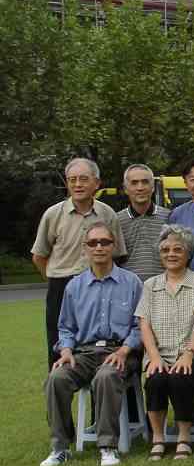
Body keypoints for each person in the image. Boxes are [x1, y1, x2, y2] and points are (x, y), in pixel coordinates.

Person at [40, 222, 143, 466]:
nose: (99, 247)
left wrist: (124, 350)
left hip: (120, 351)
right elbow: (65, 327)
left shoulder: (132, 283)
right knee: (56, 379)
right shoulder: (74, 286)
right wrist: (66, 351)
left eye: (104, 242)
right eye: (93, 243)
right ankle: (60, 448)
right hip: (83, 352)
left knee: (107, 376)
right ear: (85, 248)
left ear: (113, 246)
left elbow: (141, 326)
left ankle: (107, 447)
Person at [32, 157, 126, 368]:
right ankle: (58, 386)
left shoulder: (107, 214)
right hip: (61, 286)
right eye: (72, 179)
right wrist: (55, 281)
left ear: (97, 183)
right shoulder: (53, 215)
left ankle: (98, 388)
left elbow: (118, 254)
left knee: (97, 346)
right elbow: (39, 256)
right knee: (58, 348)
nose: (77, 184)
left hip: (100, 286)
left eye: (84, 179)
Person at [137, 225, 194, 461]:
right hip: (159, 353)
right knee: (156, 380)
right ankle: (158, 438)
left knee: (181, 378)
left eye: (178, 249)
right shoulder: (150, 285)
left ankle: (183, 437)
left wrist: (189, 353)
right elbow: (144, 324)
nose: (171, 254)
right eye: (166, 250)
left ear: (188, 253)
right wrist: (154, 357)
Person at [117, 163, 170, 281]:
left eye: (145, 182)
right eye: (134, 183)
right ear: (125, 189)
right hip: (128, 287)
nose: (140, 187)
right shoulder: (116, 220)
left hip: (163, 286)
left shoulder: (169, 217)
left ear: (153, 187)